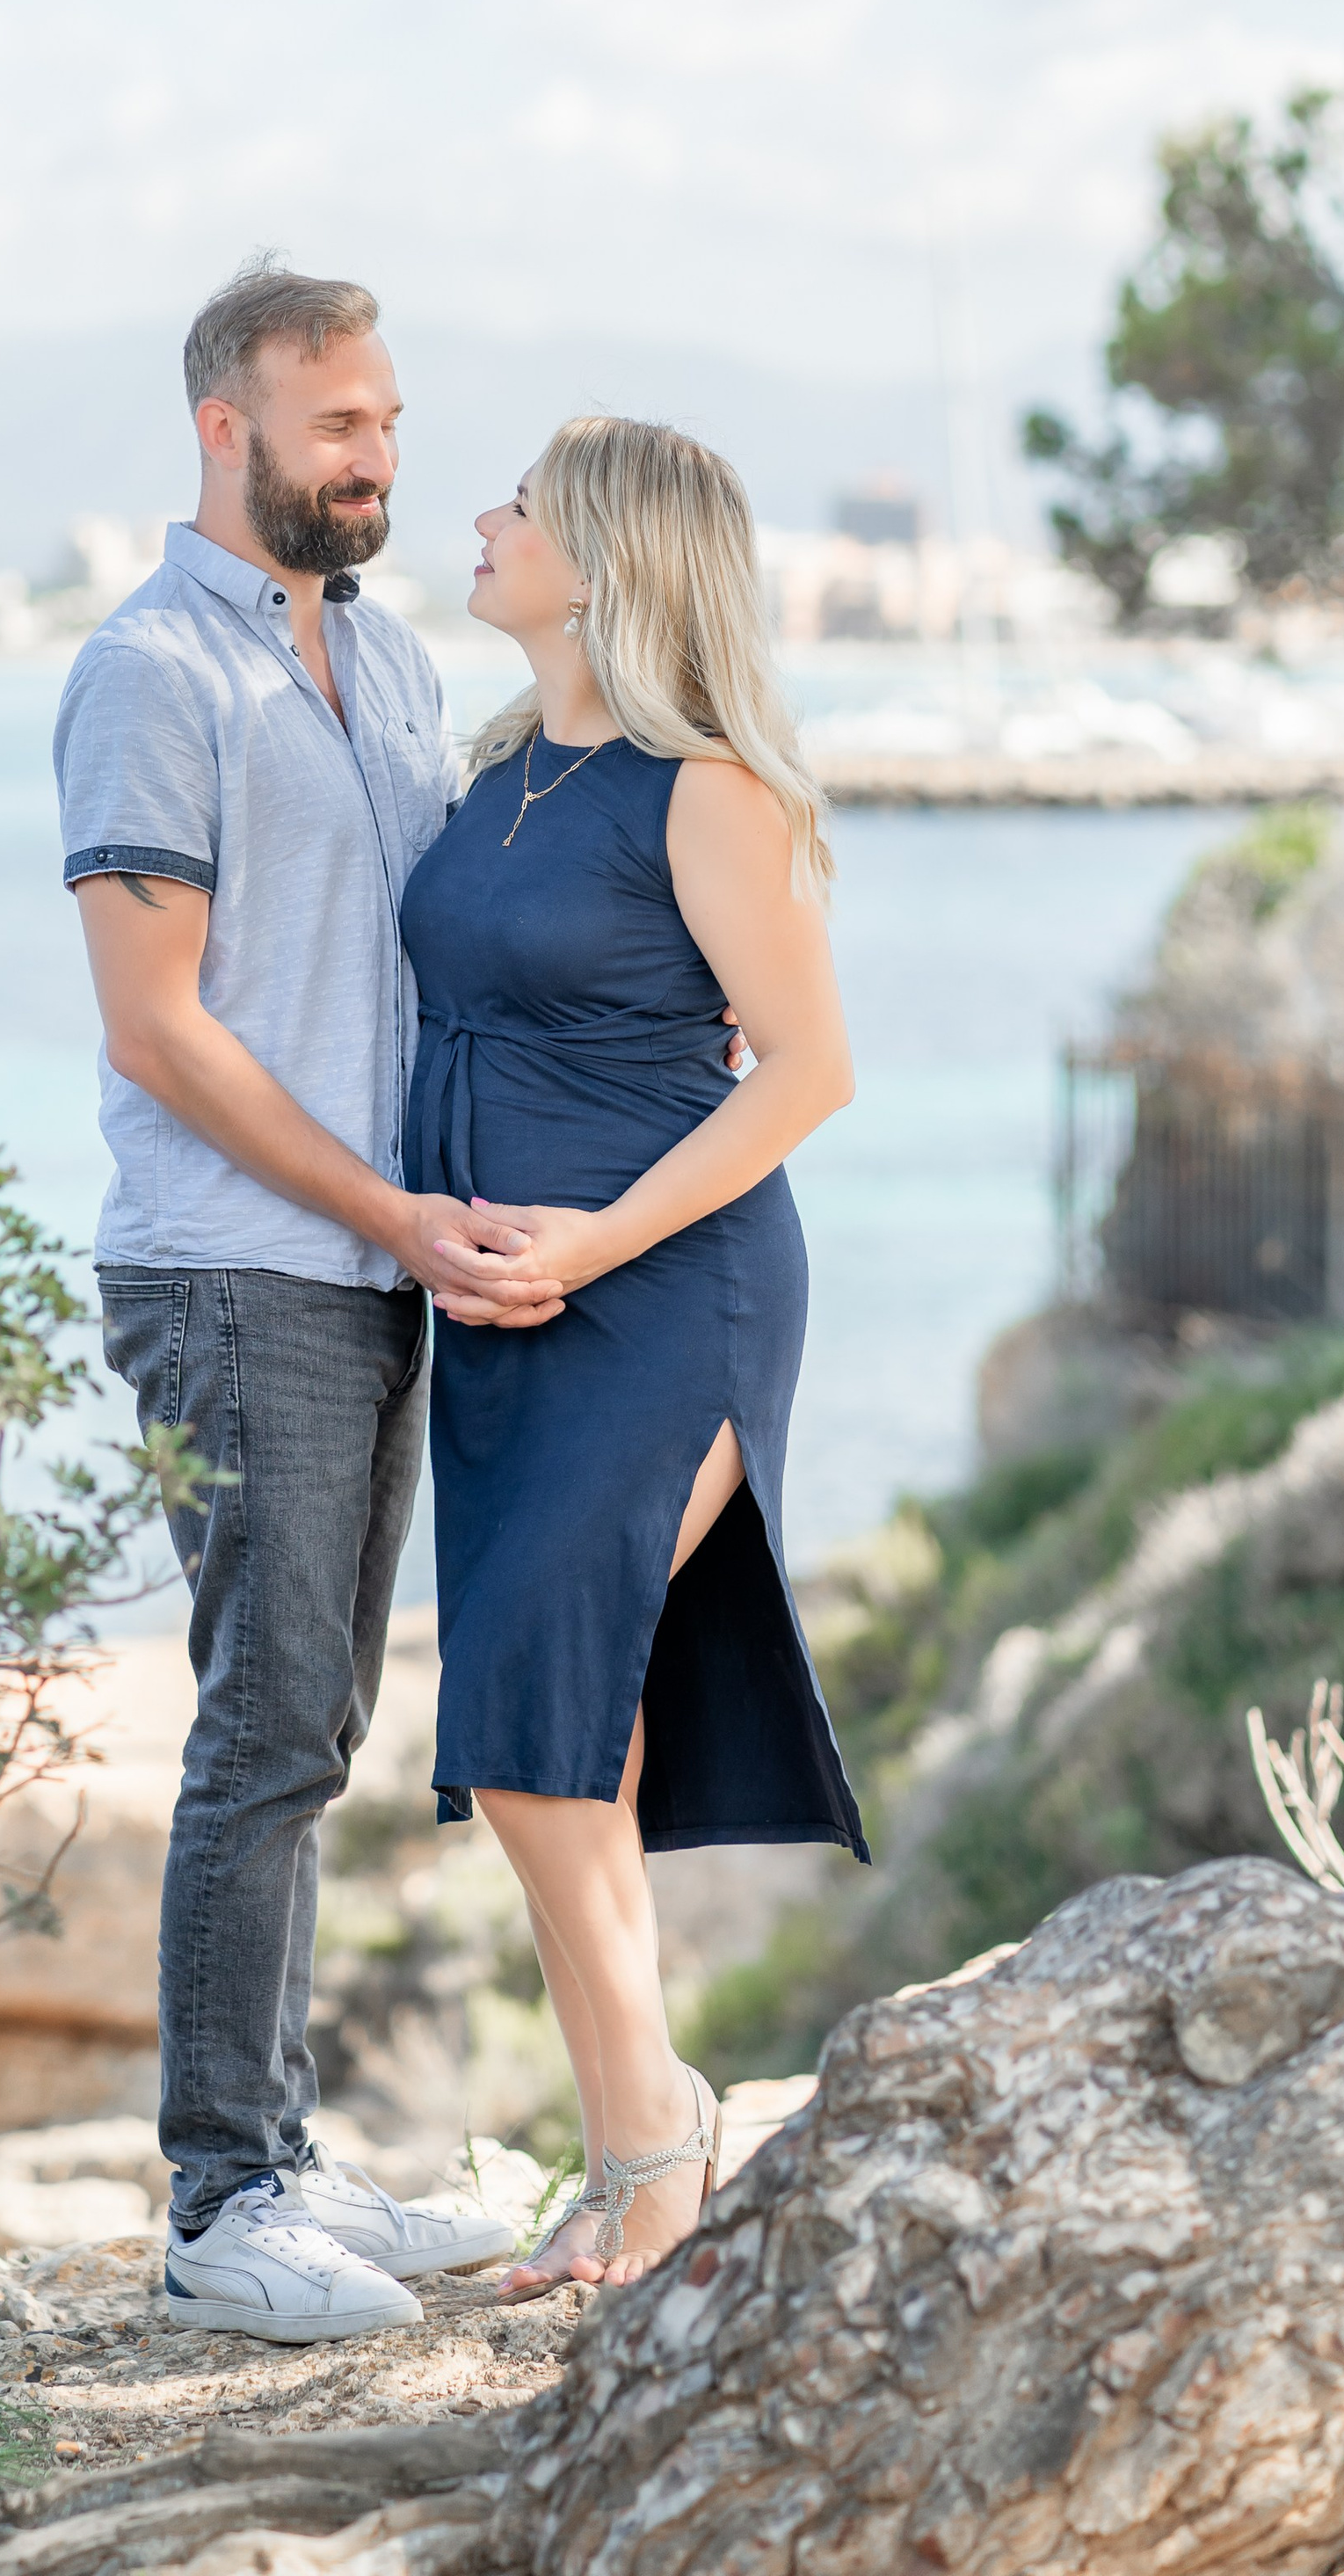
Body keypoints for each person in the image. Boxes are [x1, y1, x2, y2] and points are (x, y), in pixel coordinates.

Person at [53, 258, 548, 2345]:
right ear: (223, 428)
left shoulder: (396, 667)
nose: (376, 460)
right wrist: (387, 1207)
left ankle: (282, 2151)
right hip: (234, 1265)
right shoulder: (151, 672)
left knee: (321, 1721)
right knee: (263, 1725)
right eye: (338, 426)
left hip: (371, 1265)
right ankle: (216, 2202)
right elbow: (158, 1030)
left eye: (389, 425)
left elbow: (450, 956)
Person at [397, 413, 867, 2296]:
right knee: (561, 1730)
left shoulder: (707, 790)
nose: (483, 518)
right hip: (501, 1301)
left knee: (527, 1711)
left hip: (666, 1291)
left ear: (599, 561)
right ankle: (631, 2164)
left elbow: (810, 1074)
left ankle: (656, 2147)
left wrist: (586, 1241)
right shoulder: (498, 771)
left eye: (517, 504)